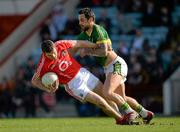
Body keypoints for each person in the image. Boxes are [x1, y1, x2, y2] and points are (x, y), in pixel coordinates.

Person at [31, 40, 138, 125]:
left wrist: (95, 46)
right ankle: (121, 119)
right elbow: (34, 81)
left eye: (54, 53)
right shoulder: (43, 63)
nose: (53, 56)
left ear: (54, 47)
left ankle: (124, 119)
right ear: (44, 54)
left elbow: (79, 43)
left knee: (108, 97)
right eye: (50, 55)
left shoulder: (60, 44)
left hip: (84, 74)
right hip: (74, 85)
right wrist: (47, 89)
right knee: (100, 102)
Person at [77, 7, 154, 124]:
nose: (80, 23)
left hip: (116, 64)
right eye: (79, 20)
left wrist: (87, 51)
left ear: (91, 19)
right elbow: (74, 47)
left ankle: (130, 112)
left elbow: (104, 52)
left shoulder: (98, 30)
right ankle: (145, 113)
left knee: (107, 93)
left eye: (82, 20)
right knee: (122, 98)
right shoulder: (83, 35)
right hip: (108, 68)